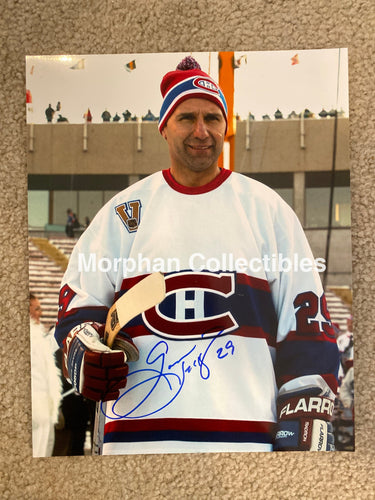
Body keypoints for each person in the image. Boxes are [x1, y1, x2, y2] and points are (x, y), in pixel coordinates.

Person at [54, 56, 340, 455]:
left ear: (226, 126)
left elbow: (308, 325)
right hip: (134, 451)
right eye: (187, 118)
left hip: (246, 451)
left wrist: (304, 415)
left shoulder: (268, 210)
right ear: (165, 127)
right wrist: (83, 347)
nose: (202, 131)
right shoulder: (123, 213)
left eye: (213, 118)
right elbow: (77, 308)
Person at [30, 293, 62, 457]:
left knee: (44, 452)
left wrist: (63, 326)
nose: (40, 313)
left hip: (45, 409)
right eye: (36, 309)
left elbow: (48, 345)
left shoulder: (36, 337)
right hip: (34, 410)